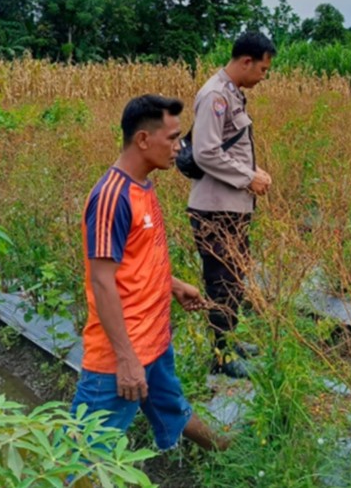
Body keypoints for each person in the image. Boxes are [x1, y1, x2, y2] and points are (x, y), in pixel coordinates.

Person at [70, 94, 229, 457]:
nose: (179, 147)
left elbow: (133, 261)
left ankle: (230, 456)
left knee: (173, 411)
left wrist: (171, 285)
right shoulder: (112, 197)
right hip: (119, 357)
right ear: (143, 139)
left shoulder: (143, 185)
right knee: (82, 458)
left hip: (153, 342)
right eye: (172, 138)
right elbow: (101, 280)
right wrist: (126, 360)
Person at [186, 31, 276, 378]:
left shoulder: (232, 95)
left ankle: (230, 340)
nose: (263, 76)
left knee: (235, 279)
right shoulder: (214, 96)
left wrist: (252, 171)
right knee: (221, 282)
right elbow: (205, 151)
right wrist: (248, 177)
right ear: (246, 62)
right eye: (263, 69)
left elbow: (227, 148)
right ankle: (220, 357)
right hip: (215, 209)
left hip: (233, 207)